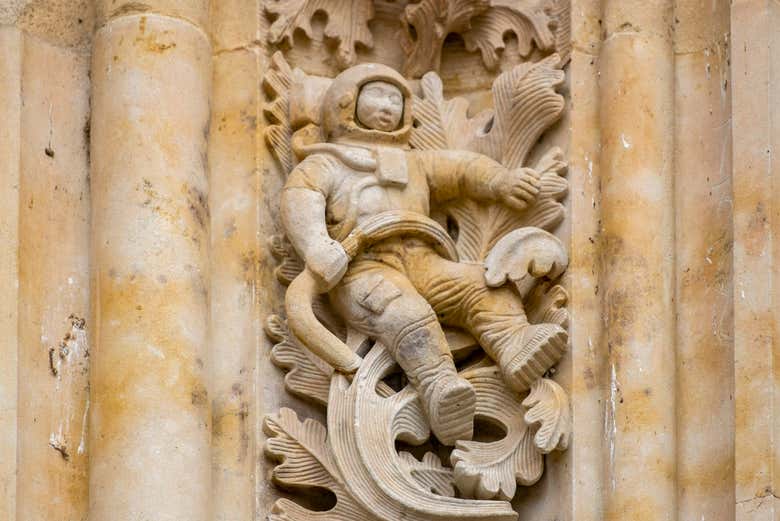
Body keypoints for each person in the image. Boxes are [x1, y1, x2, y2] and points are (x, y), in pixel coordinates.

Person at [281, 63, 567, 445]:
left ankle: (514, 343)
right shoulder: (327, 162)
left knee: (480, 284)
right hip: (364, 269)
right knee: (405, 313)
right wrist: (317, 245)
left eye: (394, 99)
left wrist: (501, 181)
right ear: (346, 104)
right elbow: (300, 199)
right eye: (375, 96)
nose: (386, 106)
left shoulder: (416, 161)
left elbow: (463, 169)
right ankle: (439, 388)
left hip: (424, 258)